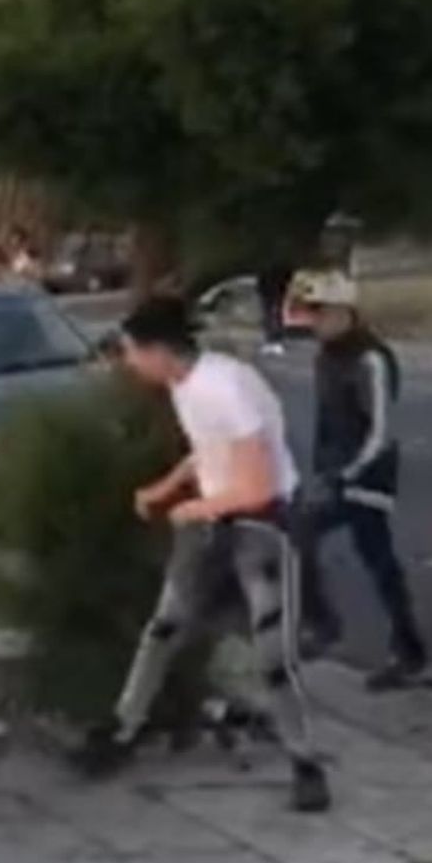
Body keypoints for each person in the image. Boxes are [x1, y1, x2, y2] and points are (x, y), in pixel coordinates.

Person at [73, 296, 330, 813]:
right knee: (165, 626)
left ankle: (306, 764)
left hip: (261, 526)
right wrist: (166, 487)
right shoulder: (186, 384)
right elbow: (209, 449)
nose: (127, 363)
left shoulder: (225, 388)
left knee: (272, 654)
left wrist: (195, 509)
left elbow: (258, 486)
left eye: (130, 352)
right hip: (213, 520)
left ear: (158, 350)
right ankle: (123, 729)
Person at [290, 272, 431, 690]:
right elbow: (327, 424)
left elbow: (380, 430)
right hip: (336, 472)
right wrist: (320, 470)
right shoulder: (326, 357)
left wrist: (347, 474)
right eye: (311, 315)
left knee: (310, 537)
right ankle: (408, 650)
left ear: (345, 312)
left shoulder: (371, 358)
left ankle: (329, 626)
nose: (314, 323)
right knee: (373, 559)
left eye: (321, 314)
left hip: (368, 474)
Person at [256, 266, 296, 356]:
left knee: (275, 313)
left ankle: (275, 340)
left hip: (274, 289)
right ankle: (272, 340)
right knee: (270, 313)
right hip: (270, 289)